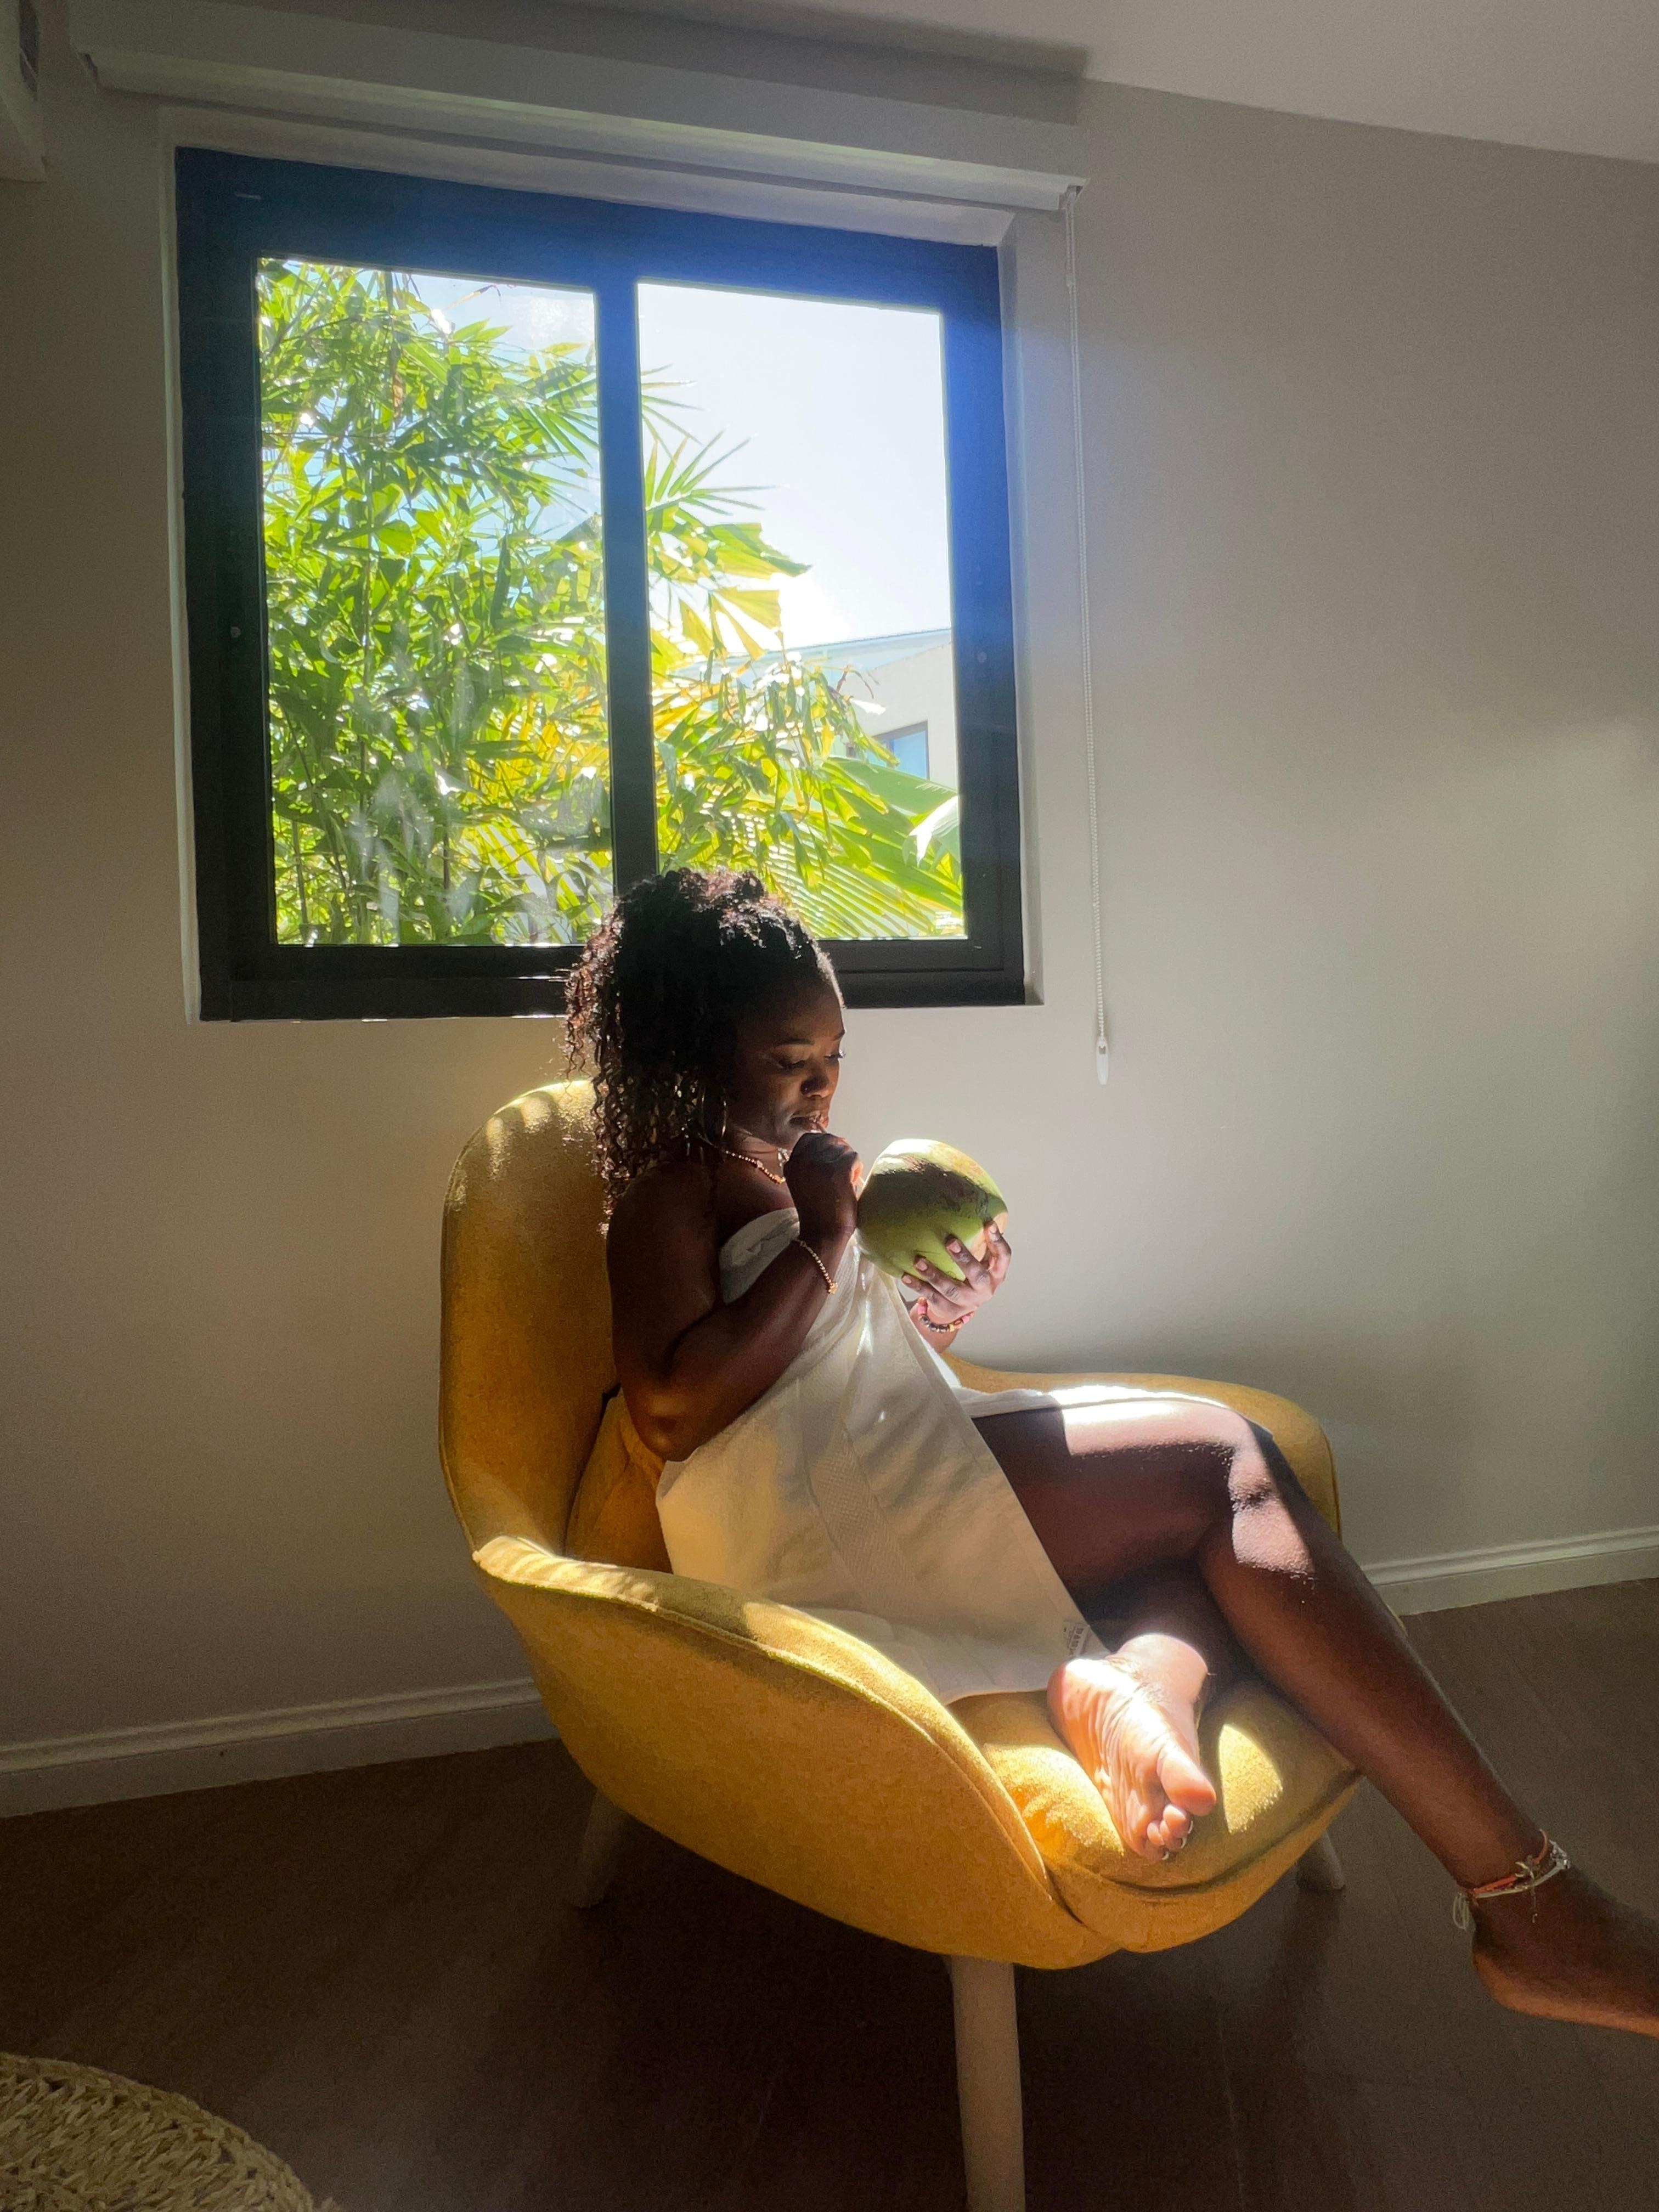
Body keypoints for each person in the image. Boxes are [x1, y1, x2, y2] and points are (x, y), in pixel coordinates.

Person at [568, 865, 1659, 2041]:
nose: (824, 1084)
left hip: (885, 1465)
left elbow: (834, 1354)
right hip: (816, 1518)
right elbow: (671, 1409)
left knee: (1204, 1541)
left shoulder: (787, 1171)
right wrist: (829, 1239)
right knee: (1223, 1466)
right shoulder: (674, 1191)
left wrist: (935, 1310)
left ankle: (1138, 1693)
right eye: (792, 1061)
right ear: (693, 1054)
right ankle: (1530, 1904)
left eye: (835, 1053)